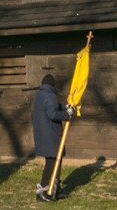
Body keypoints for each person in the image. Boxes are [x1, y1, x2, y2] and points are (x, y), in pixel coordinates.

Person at [32, 74, 73, 202]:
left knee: (53, 163)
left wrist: (64, 107)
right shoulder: (51, 96)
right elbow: (52, 114)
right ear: (52, 85)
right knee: (52, 164)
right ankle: (44, 192)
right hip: (51, 136)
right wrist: (67, 114)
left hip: (44, 136)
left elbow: (51, 107)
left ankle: (53, 191)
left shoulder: (40, 95)